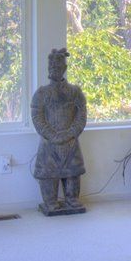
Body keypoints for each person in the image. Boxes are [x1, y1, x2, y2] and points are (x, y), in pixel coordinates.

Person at [30, 47, 88, 215]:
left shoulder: (75, 92)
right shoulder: (41, 94)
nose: (55, 69)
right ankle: (50, 201)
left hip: (71, 142)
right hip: (49, 143)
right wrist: (53, 136)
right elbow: (37, 118)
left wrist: (69, 134)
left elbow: (81, 117)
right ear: (48, 69)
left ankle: (71, 199)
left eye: (58, 66)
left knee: (72, 174)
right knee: (49, 174)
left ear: (65, 68)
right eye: (52, 67)